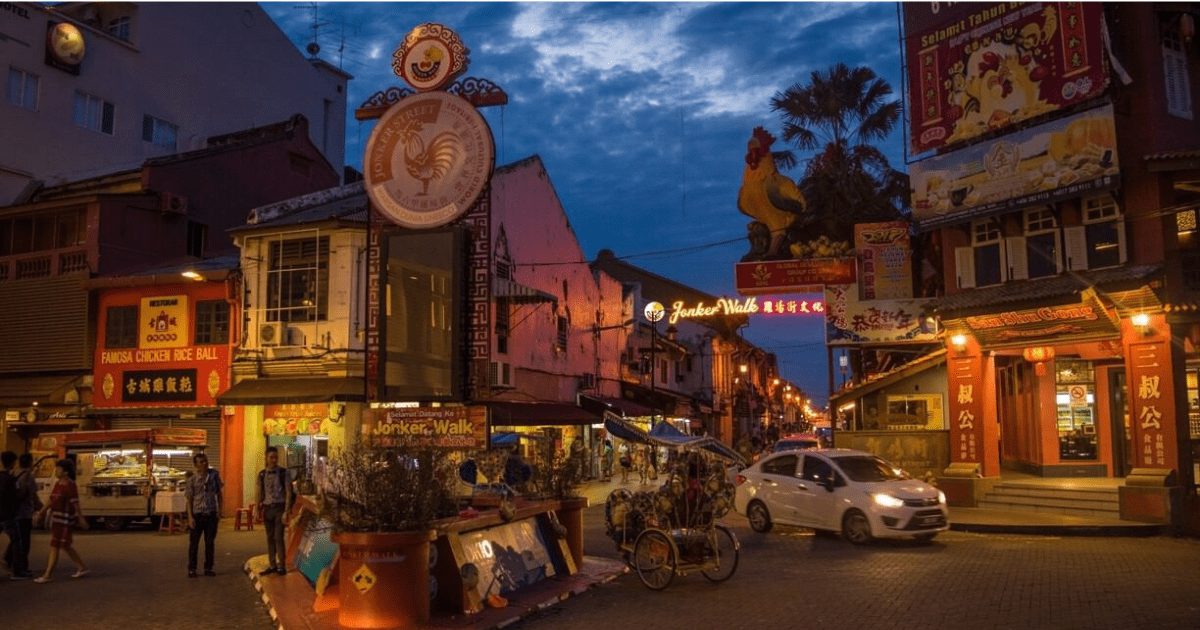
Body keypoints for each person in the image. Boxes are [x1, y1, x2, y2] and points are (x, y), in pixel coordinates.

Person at [33, 459, 88, 583]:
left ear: (66, 472)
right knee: (64, 545)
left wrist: (80, 518)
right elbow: (51, 500)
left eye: (58, 469)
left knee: (56, 545)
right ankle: (82, 567)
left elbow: (75, 503)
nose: (56, 471)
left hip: (65, 520)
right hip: (57, 519)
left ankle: (47, 575)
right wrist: (41, 512)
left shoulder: (70, 485)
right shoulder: (58, 484)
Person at [185, 452, 223, 577]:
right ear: (196, 465)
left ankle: (208, 567)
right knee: (194, 544)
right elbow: (189, 499)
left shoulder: (214, 476)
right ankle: (192, 568)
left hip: (211, 514)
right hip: (197, 515)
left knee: (210, 542)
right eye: (201, 462)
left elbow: (219, 494)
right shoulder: (192, 480)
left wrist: (219, 512)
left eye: (205, 461)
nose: (204, 464)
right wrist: (190, 517)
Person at [256, 447, 293, 576]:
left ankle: (281, 565)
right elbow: (259, 492)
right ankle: (272, 565)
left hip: (279, 508)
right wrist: (257, 509)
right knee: (270, 538)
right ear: (266, 458)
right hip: (267, 509)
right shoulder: (261, 474)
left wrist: (286, 511)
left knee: (278, 537)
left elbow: (289, 492)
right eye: (271, 457)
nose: (274, 460)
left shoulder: (284, 473)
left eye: (275, 457)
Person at [5, 453, 40, 579]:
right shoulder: (28, 476)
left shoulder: (14, 474)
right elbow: (33, 495)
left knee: (16, 539)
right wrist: (41, 508)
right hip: (24, 512)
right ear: (30, 462)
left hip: (13, 512)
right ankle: (21, 567)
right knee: (24, 541)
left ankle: (9, 560)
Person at [1, 451, 28, 580]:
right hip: (8, 515)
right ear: (12, 462)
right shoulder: (11, 479)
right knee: (16, 541)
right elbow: (17, 496)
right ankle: (17, 571)